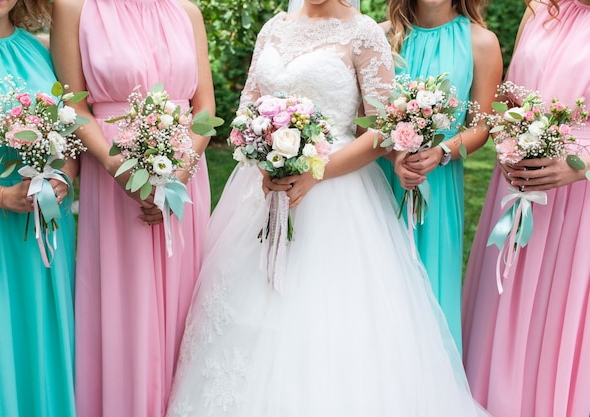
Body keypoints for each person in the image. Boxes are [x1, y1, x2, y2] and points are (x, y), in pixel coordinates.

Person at [165, 1, 488, 416]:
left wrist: (316, 172)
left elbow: (382, 130)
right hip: (263, 190)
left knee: (324, 316)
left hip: (337, 193)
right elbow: (246, 112)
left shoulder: (364, 32)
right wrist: (262, 159)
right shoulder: (273, 28)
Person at [50, 0, 216, 415]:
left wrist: (179, 173)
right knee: (126, 312)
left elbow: (206, 108)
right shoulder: (74, 8)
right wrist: (113, 164)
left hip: (182, 177)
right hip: (114, 178)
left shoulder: (187, 11)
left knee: (183, 310)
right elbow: (73, 105)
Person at [462, 1, 590, 416]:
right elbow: (508, 97)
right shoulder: (540, 8)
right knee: (508, 303)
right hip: (517, 184)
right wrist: (507, 144)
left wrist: (581, 165)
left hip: (578, 198)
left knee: (561, 314)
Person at [0, 0, 77, 415]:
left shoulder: (43, 49)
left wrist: (62, 177)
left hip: (43, 236)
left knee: (39, 344)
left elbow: (71, 133)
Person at [377, 0, 502, 352]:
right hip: (382, 177)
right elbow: (363, 115)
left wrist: (442, 151)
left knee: (430, 282)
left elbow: (481, 128)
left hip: (440, 181)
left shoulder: (481, 42)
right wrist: (393, 152)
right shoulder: (382, 36)